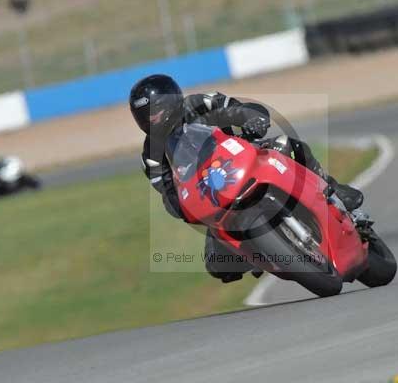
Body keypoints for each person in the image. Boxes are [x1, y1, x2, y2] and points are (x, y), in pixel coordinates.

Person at [130, 74, 363, 283]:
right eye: (143, 116)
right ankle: (264, 253)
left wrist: (253, 119)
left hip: (244, 158)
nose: (151, 120)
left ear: (171, 103)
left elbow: (235, 109)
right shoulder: (151, 154)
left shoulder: (199, 105)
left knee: (288, 146)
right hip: (213, 198)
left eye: (154, 112)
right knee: (217, 264)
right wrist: (181, 207)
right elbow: (167, 191)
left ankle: (333, 189)